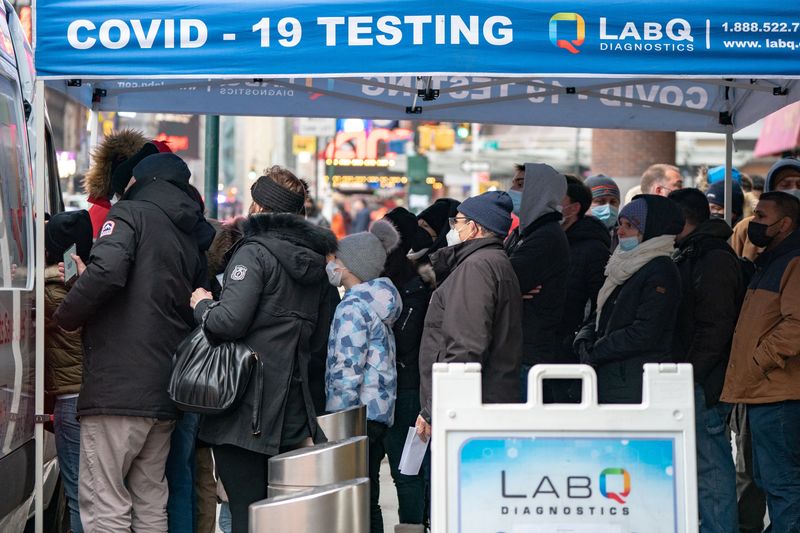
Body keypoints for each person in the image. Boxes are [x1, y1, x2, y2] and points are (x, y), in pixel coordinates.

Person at [53, 153, 208, 532]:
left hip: (118, 388)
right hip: (164, 391)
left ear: (139, 182)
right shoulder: (189, 234)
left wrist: (67, 313)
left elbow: (108, 272)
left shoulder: (128, 215)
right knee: (150, 500)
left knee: (105, 502)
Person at [190, 167, 337, 533]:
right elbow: (319, 338)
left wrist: (203, 305)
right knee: (279, 518)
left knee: (246, 513)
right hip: (292, 409)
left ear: (258, 207)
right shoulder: (315, 262)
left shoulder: (253, 253)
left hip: (243, 408)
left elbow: (229, 322)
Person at [721, 191, 800, 533]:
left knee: (783, 484)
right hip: (763, 390)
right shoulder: (770, 260)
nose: (753, 223)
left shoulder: (794, 261)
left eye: (762, 217)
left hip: (779, 392)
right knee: (772, 481)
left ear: (785, 224)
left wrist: (760, 360)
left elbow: (796, 324)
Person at [417, 191, 523, 436]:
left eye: (458, 222)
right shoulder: (492, 262)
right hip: (487, 398)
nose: (453, 228)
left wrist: (435, 408)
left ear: (474, 228)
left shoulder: (476, 267)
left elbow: (465, 345)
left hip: (468, 407)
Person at [669, 188, 743, 533]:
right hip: (695, 378)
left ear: (682, 220)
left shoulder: (711, 258)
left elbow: (716, 326)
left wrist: (690, 375)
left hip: (703, 383)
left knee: (710, 468)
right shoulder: (690, 252)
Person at [325, 219, 402, 533]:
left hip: (355, 416)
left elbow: (347, 369)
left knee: (356, 501)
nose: (332, 267)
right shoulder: (380, 304)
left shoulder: (353, 308)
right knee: (369, 497)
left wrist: (336, 420)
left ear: (350, 267)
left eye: (336, 262)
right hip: (380, 413)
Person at [574, 195, 684, 404]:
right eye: (620, 224)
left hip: (635, 379)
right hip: (616, 374)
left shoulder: (660, 268)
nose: (620, 231)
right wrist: (585, 338)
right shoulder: (624, 263)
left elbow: (646, 331)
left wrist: (597, 349)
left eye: (630, 226)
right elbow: (603, 311)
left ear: (650, 229)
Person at [380, 208, 434, 533]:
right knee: (406, 470)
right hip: (401, 386)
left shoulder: (413, 288)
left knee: (406, 469)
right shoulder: (415, 283)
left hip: (404, 388)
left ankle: (412, 525)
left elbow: (403, 340)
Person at [43, 210, 93, 533]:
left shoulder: (47, 290)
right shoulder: (93, 286)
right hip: (96, 399)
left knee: (77, 496)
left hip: (69, 400)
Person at [504, 164, 569, 401]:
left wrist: (511, 290)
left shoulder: (546, 236)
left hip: (529, 352)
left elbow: (503, 280)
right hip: (519, 348)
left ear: (539, 191)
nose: (512, 189)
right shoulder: (524, 232)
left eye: (520, 184)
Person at [558, 176, 611, 368]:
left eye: (556, 199)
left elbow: (601, 300)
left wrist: (580, 339)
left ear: (573, 208)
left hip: (570, 351)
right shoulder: (551, 240)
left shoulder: (593, 249)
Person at [731, 157, 800, 261]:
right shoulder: (746, 229)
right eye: (786, 185)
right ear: (771, 190)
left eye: (799, 185)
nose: (794, 190)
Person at [414, 198, 460, 263]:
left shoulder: (449, 266)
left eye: (426, 226)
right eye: (418, 225)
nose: (420, 230)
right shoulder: (405, 257)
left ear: (441, 234)